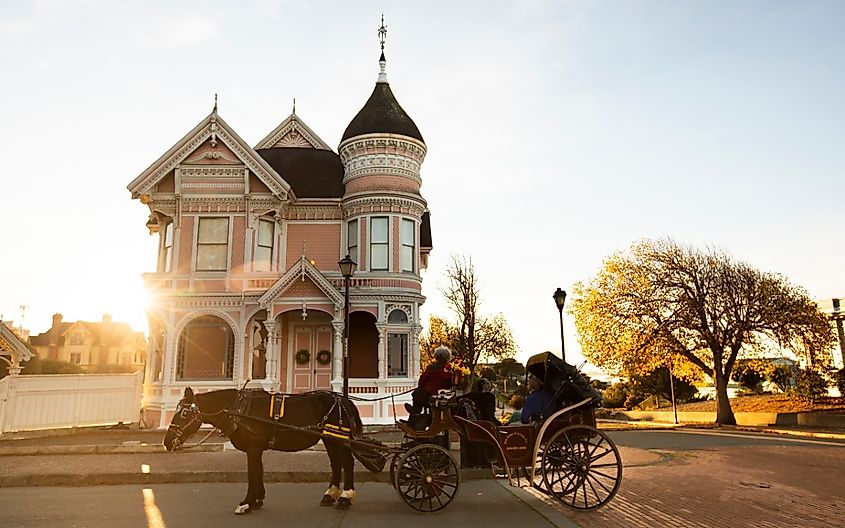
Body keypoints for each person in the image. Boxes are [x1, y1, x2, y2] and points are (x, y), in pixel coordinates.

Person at [406, 346, 453, 414]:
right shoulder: (450, 369)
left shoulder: (432, 368)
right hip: (446, 394)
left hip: (430, 394)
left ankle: (416, 411)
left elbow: (421, 382)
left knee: (417, 393)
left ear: (436, 357)